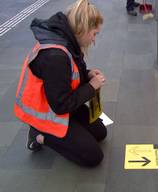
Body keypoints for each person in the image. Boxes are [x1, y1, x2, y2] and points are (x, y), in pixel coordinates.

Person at [14, 0, 107, 167]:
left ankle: (68, 134)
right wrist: (91, 86)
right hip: (48, 112)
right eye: (94, 34)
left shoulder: (68, 40)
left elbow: (70, 75)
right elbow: (61, 105)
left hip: (58, 100)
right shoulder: (55, 56)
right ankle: (39, 135)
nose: (94, 40)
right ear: (83, 29)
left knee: (100, 132)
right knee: (93, 156)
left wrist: (87, 75)